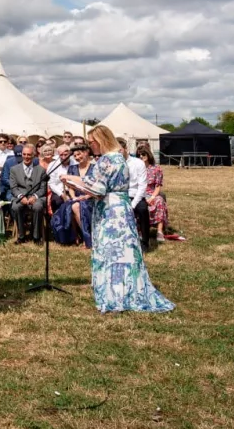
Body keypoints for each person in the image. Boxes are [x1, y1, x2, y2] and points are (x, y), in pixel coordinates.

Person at [62, 125, 174, 313]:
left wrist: (71, 180)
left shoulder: (106, 160)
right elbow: (102, 185)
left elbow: (97, 190)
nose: (90, 147)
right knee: (124, 251)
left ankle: (115, 293)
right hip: (120, 208)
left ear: (101, 140)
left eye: (92, 142)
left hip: (110, 212)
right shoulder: (118, 157)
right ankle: (127, 289)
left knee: (111, 251)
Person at [9, 143, 47, 244]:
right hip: (20, 197)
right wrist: (21, 197)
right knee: (16, 207)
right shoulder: (14, 170)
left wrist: (35, 196)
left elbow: (43, 189)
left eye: (29, 154)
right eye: (24, 154)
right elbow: (13, 187)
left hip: (36, 197)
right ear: (21, 155)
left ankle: (36, 236)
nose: (26, 157)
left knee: (38, 207)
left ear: (33, 155)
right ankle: (21, 236)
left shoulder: (41, 170)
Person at [118, 137, 150, 251]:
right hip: (120, 195)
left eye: (120, 150)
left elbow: (142, 186)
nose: (118, 153)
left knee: (142, 209)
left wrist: (133, 204)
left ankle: (145, 241)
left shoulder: (138, 163)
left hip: (135, 195)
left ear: (125, 148)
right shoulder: (114, 164)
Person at [139, 146, 172, 240]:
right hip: (140, 194)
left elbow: (157, 187)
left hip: (152, 194)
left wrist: (152, 197)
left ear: (148, 155)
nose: (141, 156)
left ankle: (159, 231)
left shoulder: (156, 169)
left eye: (143, 154)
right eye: (139, 155)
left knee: (160, 201)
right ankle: (141, 230)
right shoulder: (136, 169)